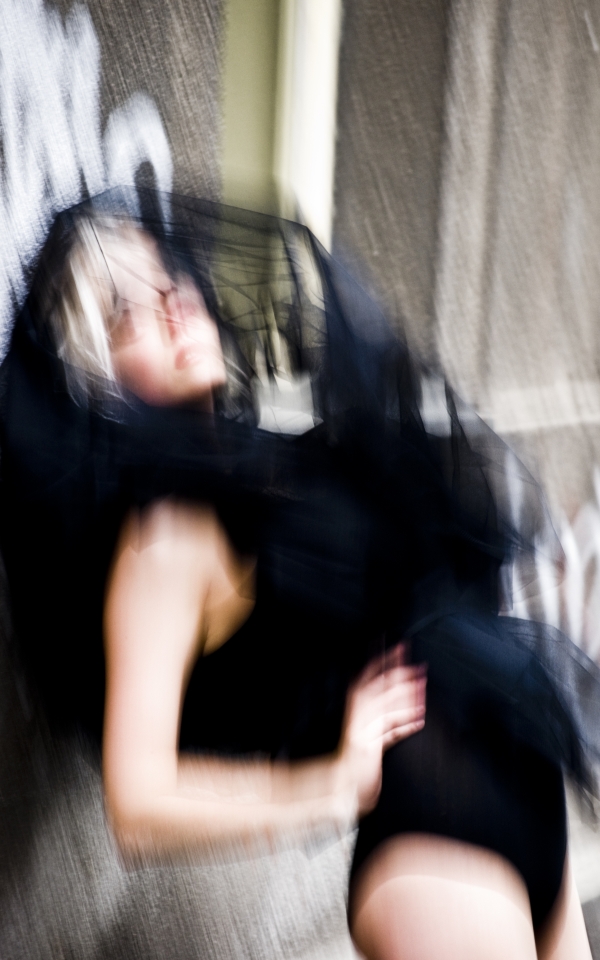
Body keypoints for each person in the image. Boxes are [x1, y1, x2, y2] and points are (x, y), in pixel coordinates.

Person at [1, 188, 598, 960]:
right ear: (99, 386)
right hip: (439, 847)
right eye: (125, 317)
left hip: (522, 798)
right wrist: (332, 785)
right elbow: (138, 801)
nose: (174, 303)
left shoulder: (264, 465)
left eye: (166, 279)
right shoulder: (165, 536)